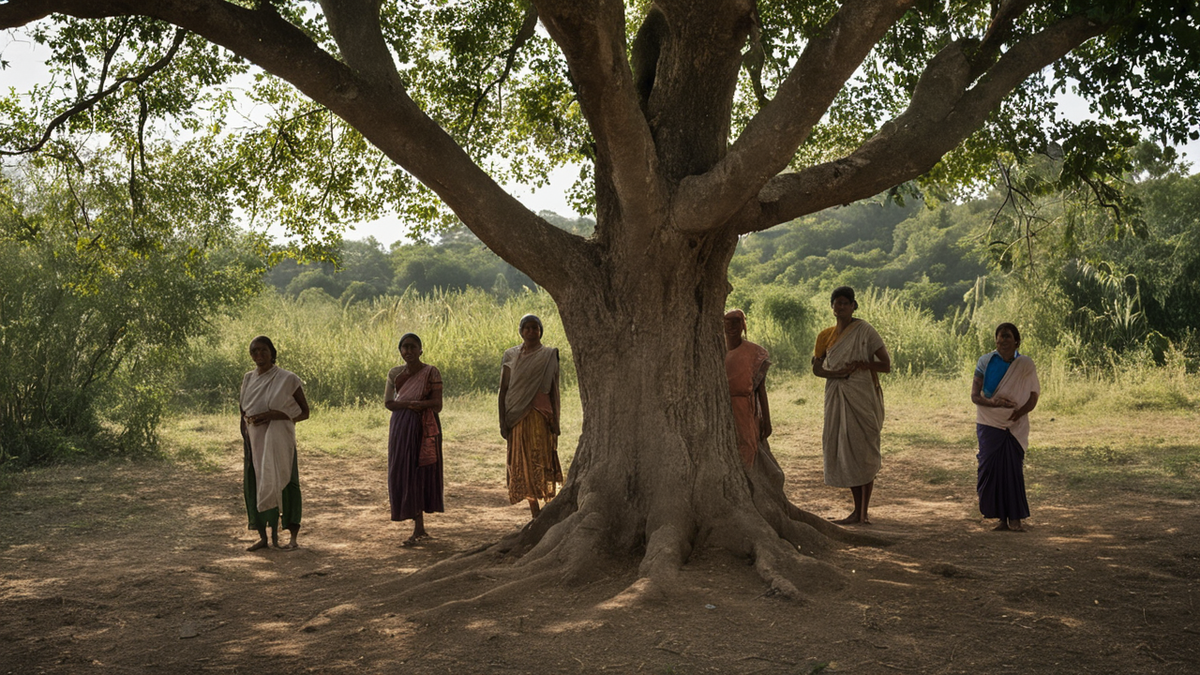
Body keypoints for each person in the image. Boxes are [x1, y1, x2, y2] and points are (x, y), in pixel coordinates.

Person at [812, 286, 890, 525]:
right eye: (837, 302)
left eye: (846, 303)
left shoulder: (865, 330)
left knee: (864, 449)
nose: (841, 306)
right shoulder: (825, 336)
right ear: (832, 306)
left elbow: (885, 364)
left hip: (861, 395)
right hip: (836, 394)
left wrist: (862, 364)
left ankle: (863, 512)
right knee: (845, 448)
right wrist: (837, 374)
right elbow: (817, 368)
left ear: (854, 305)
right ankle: (857, 512)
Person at [239, 335, 309, 551]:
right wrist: (246, 433)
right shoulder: (248, 379)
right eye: (254, 351)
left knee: (285, 481)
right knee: (258, 482)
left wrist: (274, 415)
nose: (259, 355)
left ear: (272, 352)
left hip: (279, 441)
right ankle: (264, 537)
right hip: (255, 440)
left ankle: (293, 537)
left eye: (263, 350)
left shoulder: (287, 379)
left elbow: (304, 413)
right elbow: (243, 411)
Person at [970, 322, 1039, 532]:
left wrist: (1019, 413)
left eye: (1007, 337)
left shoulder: (1025, 364)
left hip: (1014, 425)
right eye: (999, 337)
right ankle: (1000, 518)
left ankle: (1016, 519)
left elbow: (1034, 396)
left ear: (1016, 341)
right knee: (991, 469)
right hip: (988, 422)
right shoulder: (985, 361)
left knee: (1013, 472)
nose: (1002, 341)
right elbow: (975, 396)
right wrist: (994, 404)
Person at [498, 314, 563, 519]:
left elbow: (554, 390)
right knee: (522, 463)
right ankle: (535, 512)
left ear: (540, 331)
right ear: (521, 331)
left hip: (541, 416)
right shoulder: (510, 355)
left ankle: (545, 513)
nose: (531, 332)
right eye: (527, 328)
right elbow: (504, 389)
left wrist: (556, 420)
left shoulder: (549, 355)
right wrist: (502, 421)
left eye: (535, 328)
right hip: (516, 416)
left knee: (541, 461)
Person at [385, 333, 445, 546]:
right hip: (402, 427)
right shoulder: (395, 373)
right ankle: (416, 525)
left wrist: (415, 406)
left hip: (425, 426)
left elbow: (437, 404)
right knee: (404, 471)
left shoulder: (431, 372)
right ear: (400, 351)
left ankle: (419, 528)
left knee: (423, 471)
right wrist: (413, 404)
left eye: (413, 347)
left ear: (421, 350)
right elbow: (388, 403)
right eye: (404, 348)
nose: (408, 351)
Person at [723, 309, 784, 487]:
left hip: (745, 408)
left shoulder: (754, 353)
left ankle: (748, 487)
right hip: (720, 408)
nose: (731, 326)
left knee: (748, 447)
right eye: (727, 322)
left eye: (736, 322)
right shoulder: (713, 350)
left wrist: (767, 419)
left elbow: (761, 390)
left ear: (743, 325)